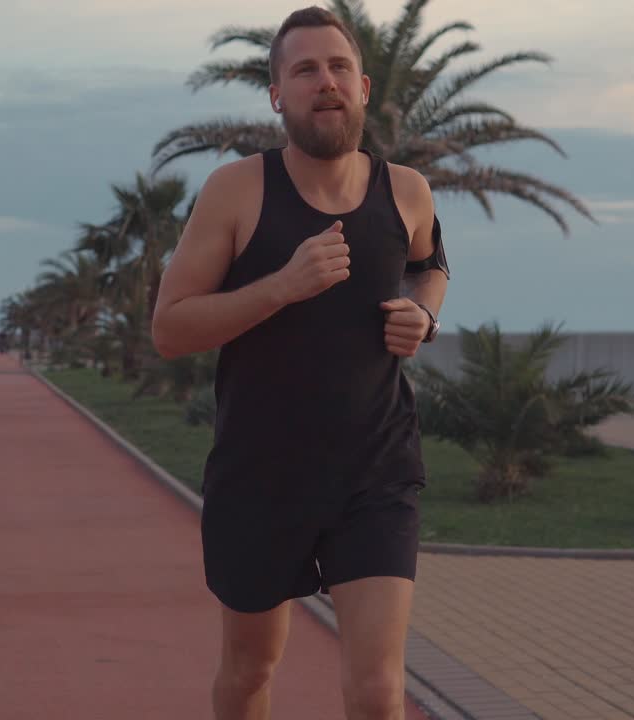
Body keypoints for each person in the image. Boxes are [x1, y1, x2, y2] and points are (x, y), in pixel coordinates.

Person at [151, 7, 451, 720]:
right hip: (260, 477)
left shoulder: (405, 190)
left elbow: (430, 261)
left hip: (374, 472)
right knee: (251, 670)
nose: (326, 82)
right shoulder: (237, 190)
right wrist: (282, 287)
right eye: (306, 69)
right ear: (277, 94)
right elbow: (170, 328)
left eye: (339, 67)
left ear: (365, 86)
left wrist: (425, 315)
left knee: (378, 689)